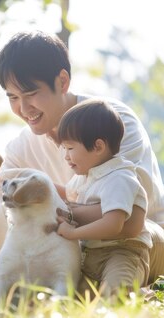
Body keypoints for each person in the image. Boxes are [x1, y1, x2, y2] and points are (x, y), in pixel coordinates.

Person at [0, 30, 164, 283]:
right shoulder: (21, 147)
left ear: (63, 81)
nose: (23, 109)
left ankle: (158, 291)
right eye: (13, 97)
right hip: (80, 254)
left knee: (124, 242)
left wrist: (51, 204)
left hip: (141, 244)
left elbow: (127, 216)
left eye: (31, 93)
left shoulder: (113, 122)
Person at [55, 99, 150, 298]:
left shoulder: (119, 177)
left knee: (115, 296)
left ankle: (157, 296)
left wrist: (73, 234)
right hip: (90, 256)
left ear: (98, 146)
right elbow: (67, 194)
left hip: (121, 253)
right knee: (75, 300)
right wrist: (43, 187)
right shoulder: (86, 176)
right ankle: (144, 295)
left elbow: (113, 224)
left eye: (70, 148)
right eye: (64, 149)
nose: (66, 156)